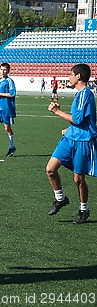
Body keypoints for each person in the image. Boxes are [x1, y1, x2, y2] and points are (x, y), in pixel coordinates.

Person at [46, 64, 95, 224]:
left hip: (82, 142)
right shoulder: (80, 94)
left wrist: (57, 112)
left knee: (78, 179)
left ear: (78, 76)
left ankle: (83, 209)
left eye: (70, 74)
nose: (69, 77)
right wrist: (69, 129)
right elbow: (81, 120)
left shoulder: (85, 94)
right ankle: (60, 198)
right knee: (50, 169)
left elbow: (79, 119)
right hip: (70, 139)